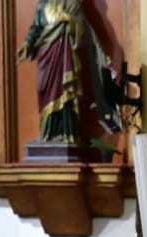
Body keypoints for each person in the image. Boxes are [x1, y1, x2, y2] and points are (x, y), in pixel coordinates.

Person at [16, 0, 120, 146]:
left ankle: (67, 133)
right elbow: (35, 28)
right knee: (44, 90)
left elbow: (82, 29)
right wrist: (27, 44)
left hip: (65, 54)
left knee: (66, 93)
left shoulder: (72, 3)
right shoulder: (43, 4)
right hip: (46, 54)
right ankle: (48, 133)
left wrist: (69, 20)